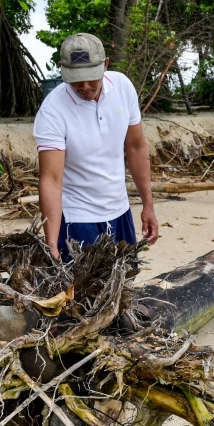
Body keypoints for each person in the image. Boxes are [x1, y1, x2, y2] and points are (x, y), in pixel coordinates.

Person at [33, 33, 159, 261]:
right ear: (62, 69)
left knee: (123, 285)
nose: (84, 85)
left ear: (106, 64)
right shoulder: (53, 110)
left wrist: (148, 205)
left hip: (120, 211)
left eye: (91, 76)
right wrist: (50, 243)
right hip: (77, 219)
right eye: (76, 78)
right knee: (82, 290)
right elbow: (50, 180)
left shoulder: (123, 87)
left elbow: (136, 147)